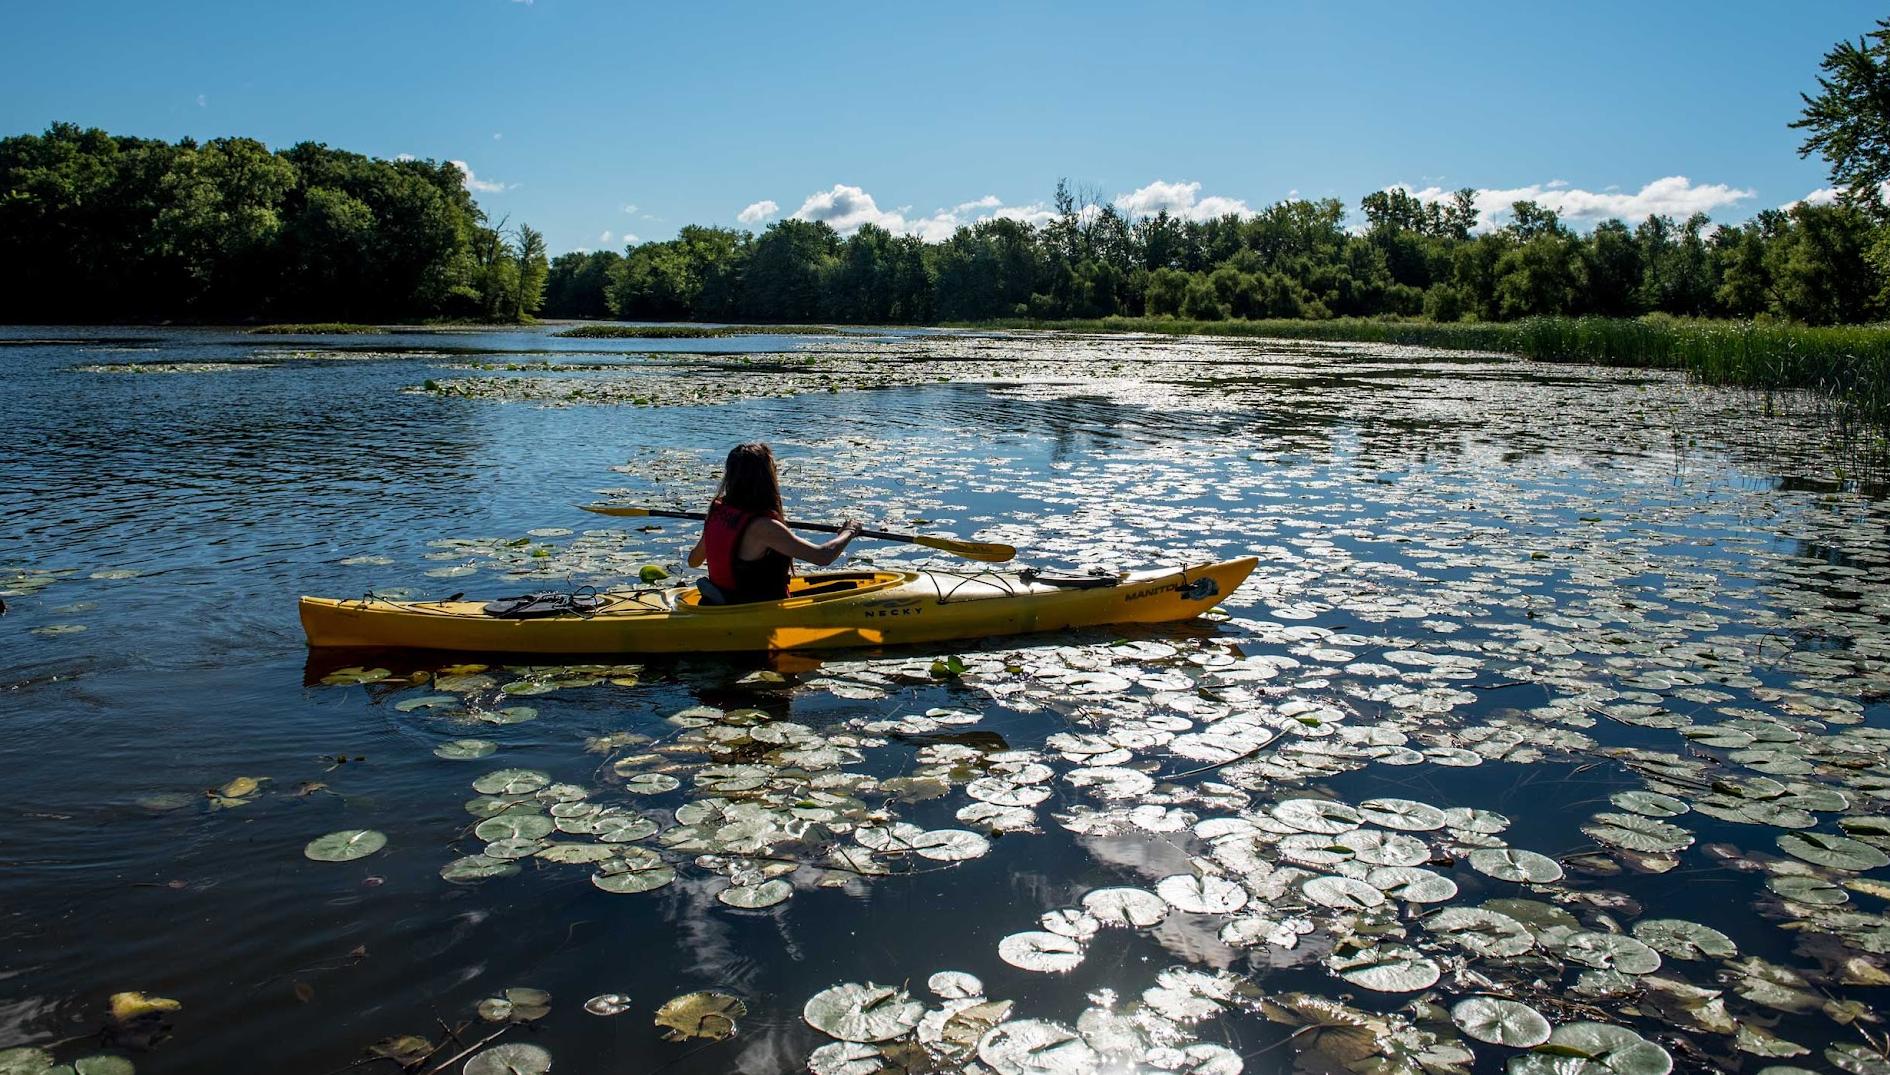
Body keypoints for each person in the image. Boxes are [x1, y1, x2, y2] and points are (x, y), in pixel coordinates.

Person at [687, 442, 860, 603]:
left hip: (721, 600)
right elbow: (823, 556)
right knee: (850, 589)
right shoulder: (764, 527)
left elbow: (693, 561)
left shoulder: (718, 511)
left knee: (845, 587)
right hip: (753, 610)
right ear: (766, 478)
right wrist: (849, 531)